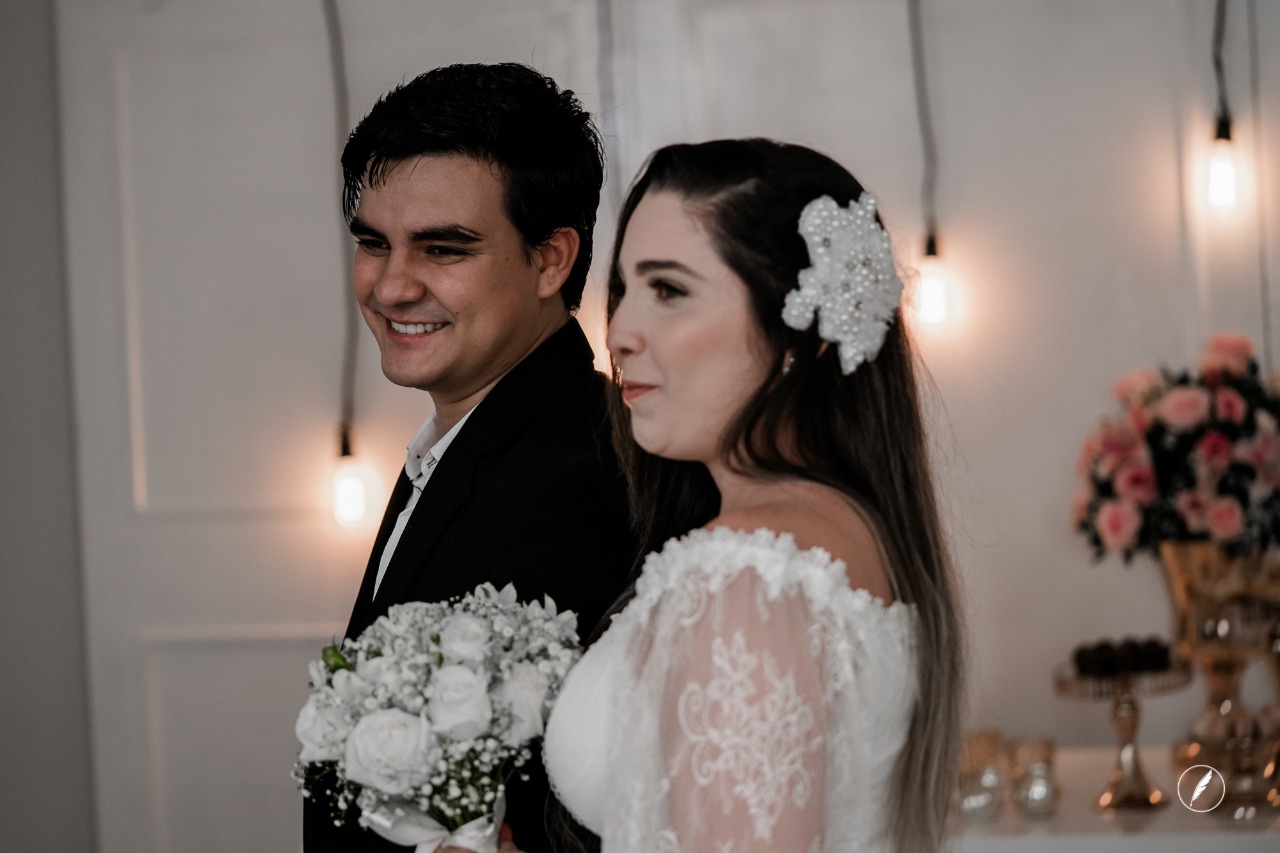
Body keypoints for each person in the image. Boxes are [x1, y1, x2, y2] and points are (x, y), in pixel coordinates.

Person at [542, 139, 965, 852]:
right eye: (623, 289)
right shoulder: (845, 529)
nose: (619, 333)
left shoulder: (745, 577)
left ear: (799, 332)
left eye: (668, 290)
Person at [303, 63, 638, 853]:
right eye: (373, 243)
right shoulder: (467, 437)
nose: (391, 287)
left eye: (443, 249)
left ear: (551, 259)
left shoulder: (584, 475)